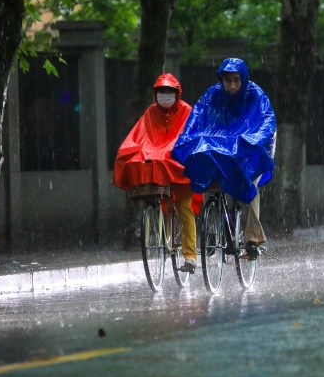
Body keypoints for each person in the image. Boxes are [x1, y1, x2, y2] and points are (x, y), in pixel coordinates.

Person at [171, 58, 276, 260]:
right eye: (227, 80)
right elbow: (197, 119)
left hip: (246, 155)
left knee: (249, 189)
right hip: (219, 153)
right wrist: (188, 139)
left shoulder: (256, 96)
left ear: (243, 79)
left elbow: (266, 124)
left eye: (236, 80)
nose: (232, 86)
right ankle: (211, 231)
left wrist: (250, 142)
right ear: (222, 80)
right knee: (210, 186)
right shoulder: (212, 95)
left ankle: (252, 240)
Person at [113, 74, 199, 272]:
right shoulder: (151, 112)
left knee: (184, 205)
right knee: (152, 196)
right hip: (158, 166)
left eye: (170, 92)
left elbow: (187, 138)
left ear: (178, 94)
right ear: (156, 94)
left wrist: (169, 152)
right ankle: (156, 230)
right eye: (162, 92)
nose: (165, 95)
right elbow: (139, 137)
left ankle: (190, 256)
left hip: (179, 167)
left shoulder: (187, 111)